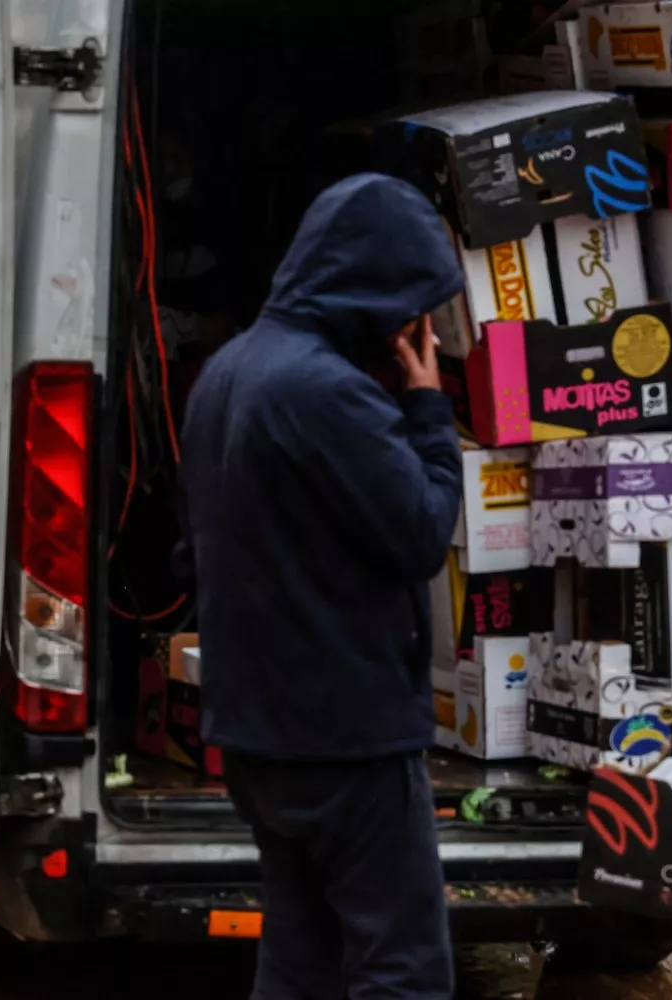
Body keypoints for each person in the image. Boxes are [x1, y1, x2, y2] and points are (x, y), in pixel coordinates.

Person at [178, 173, 466, 1000]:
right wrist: (426, 407)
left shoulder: (227, 374)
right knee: (401, 967)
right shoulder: (329, 394)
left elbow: (188, 549)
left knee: (300, 955)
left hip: (258, 731)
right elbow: (420, 529)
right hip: (348, 734)